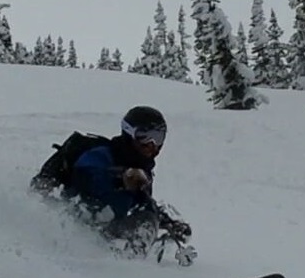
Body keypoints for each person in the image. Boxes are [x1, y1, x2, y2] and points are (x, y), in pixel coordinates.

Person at [34, 105, 193, 261]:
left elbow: (143, 203)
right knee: (144, 219)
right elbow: (85, 177)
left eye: (159, 138)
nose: (152, 145)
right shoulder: (102, 153)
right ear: (129, 133)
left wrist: (168, 223)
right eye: (144, 136)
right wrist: (119, 179)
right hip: (72, 222)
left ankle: (127, 267)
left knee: (146, 216)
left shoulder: (142, 171)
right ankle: (122, 269)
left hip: (103, 233)